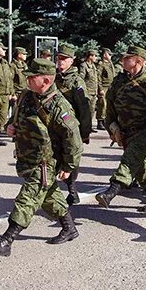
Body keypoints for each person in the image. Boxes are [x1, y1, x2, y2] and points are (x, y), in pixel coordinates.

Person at [0, 58, 83, 257]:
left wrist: (69, 166)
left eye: (32, 77)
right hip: (26, 158)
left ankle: (7, 240)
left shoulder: (59, 105)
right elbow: (14, 118)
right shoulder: (26, 96)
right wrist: (9, 127)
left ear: (46, 81)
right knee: (48, 196)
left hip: (46, 162)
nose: (27, 79)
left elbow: (74, 139)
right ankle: (69, 228)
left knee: (27, 198)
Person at [96, 46, 146, 212]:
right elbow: (110, 106)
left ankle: (111, 191)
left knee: (130, 160)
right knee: (139, 164)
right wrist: (112, 128)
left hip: (145, 129)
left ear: (138, 60)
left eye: (127, 58)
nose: (122, 60)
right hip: (125, 130)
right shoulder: (120, 80)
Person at [55, 43, 92, 205]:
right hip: (53, 128)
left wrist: (85, 132)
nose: (60, 62)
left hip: (71, 128)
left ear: (72, 61)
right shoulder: (53, 78)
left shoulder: (77, 81)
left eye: (64, 59)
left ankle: (72, 190)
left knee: (71, 159)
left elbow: (84, 109)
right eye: (58, 58)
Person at [96, 48, 116, 131]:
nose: (110, 56)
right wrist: (100, 88)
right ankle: (100, 121)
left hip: (110, 86)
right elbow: (98, 77)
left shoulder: (110, 63)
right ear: (104, 55)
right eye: (109, 54)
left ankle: (105, 120)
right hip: (104, 86)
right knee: (102, 104)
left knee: (108, 104)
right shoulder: (101, 64)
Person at [79, 49, 99, 131]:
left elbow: (96, 79)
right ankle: (84, 127)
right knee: (85, 111)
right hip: (87, 92)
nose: (96, 58)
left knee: (92, 110)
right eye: (95, 56)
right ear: (90, 56)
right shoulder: (84, 65)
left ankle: (89, 127)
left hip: (94, 92)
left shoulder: (93, 66)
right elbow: (81, 79)